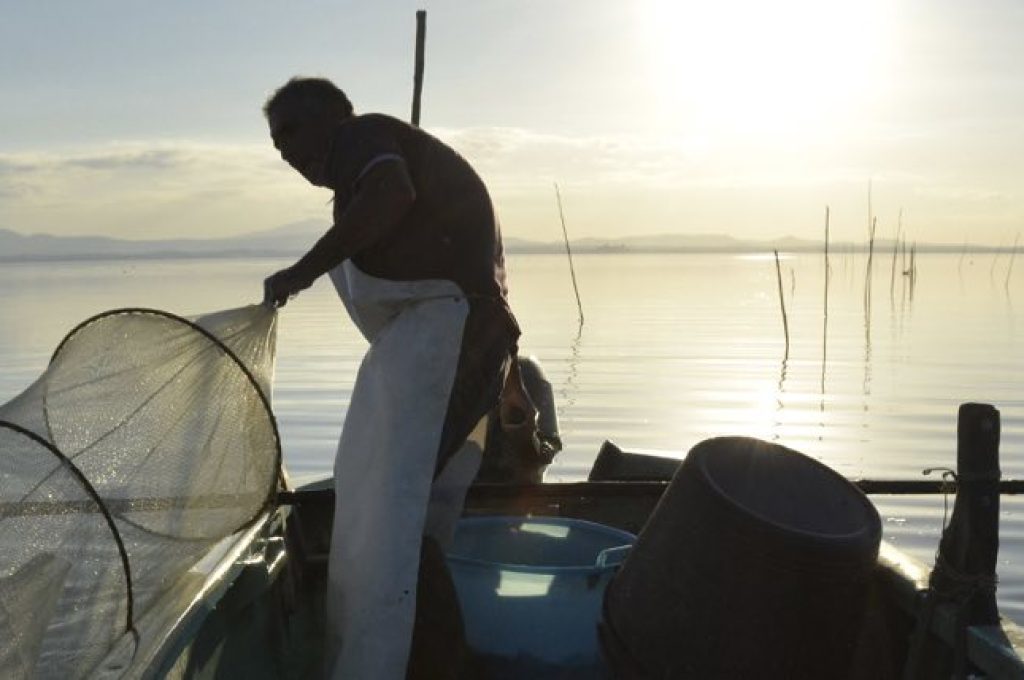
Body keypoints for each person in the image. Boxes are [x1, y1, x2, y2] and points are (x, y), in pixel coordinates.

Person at [262, 77, 520, 679]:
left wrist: (301, 272)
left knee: (394, 515)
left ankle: (432, 664)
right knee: (398, 509)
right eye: (275, 144)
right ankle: (429, 658)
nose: (284, 151)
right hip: (448, 343)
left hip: (448, 339)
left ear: (332, 116)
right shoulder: (364, 162)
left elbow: (390, 193)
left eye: (291, 131)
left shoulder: (364, 138)